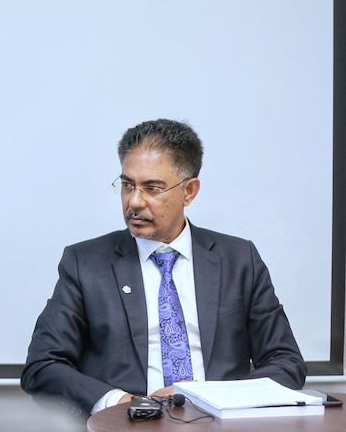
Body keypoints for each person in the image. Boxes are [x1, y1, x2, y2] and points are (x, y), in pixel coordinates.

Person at [22, 119, 305, 417]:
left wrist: (205, 397)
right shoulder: (86, 263)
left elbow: (286, 362)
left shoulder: (238, 259)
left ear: (189, 191)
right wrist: (119, 403)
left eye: (152, 188)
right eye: (127, 185)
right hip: (126, 424)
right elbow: (42, 366)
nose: (134, 201)